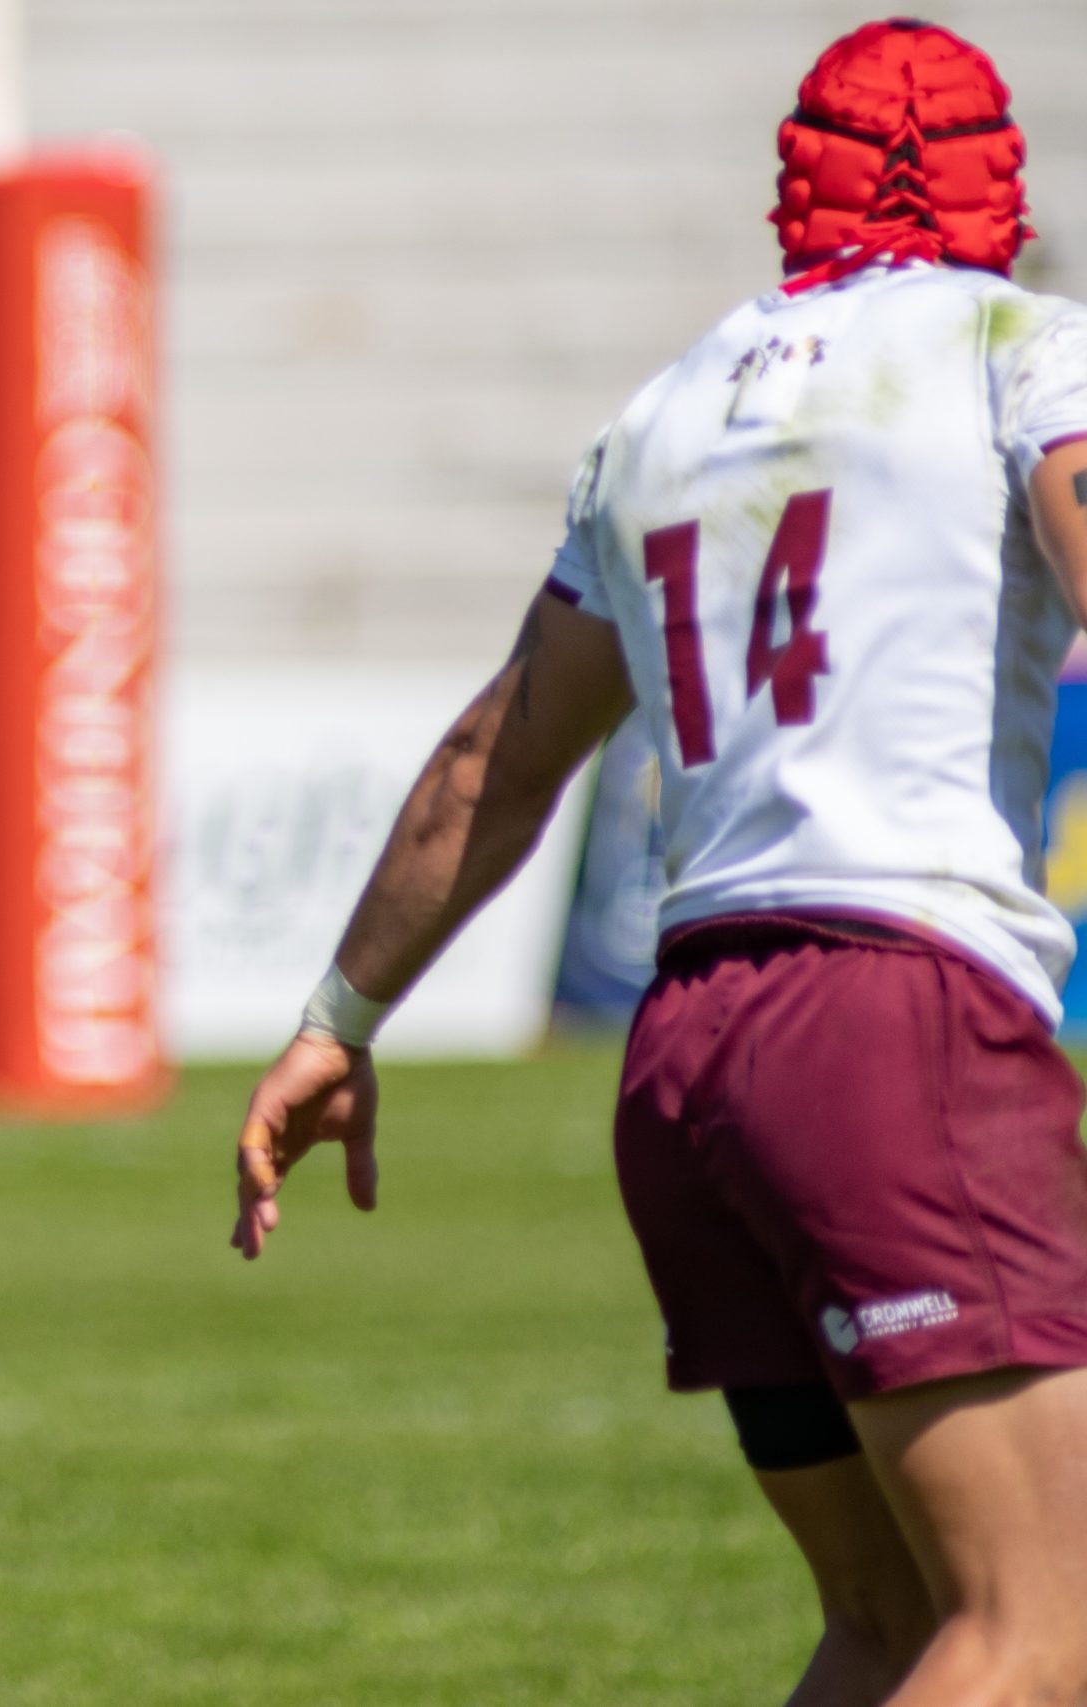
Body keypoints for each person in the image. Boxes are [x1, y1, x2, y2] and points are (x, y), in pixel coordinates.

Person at [231, 21, 1087, 1707]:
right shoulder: (1024, 350)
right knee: (1041, 1631)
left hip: (692, 1051)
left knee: (891, 1624)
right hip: (891, 1022)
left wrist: (337, 1016)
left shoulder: (665, 410)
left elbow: (499, 756)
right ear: (1003, 177)